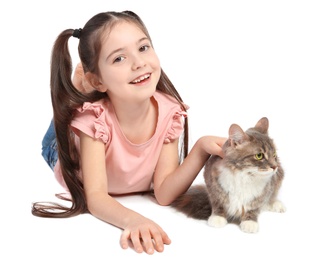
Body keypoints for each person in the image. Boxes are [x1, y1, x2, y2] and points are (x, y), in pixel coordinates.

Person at [32, 10, 226, 254]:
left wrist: (200, 148)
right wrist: (134, 220)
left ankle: (83, 89)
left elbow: (164, 193)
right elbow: (96, 197)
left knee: (84, 108)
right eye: (119, 59)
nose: (139, 63)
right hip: (65, 153)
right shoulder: (95, 120)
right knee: (67, 119)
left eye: (143, 48)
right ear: (99, 80)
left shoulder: (169, 112)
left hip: (102, 101)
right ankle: (77, 89)